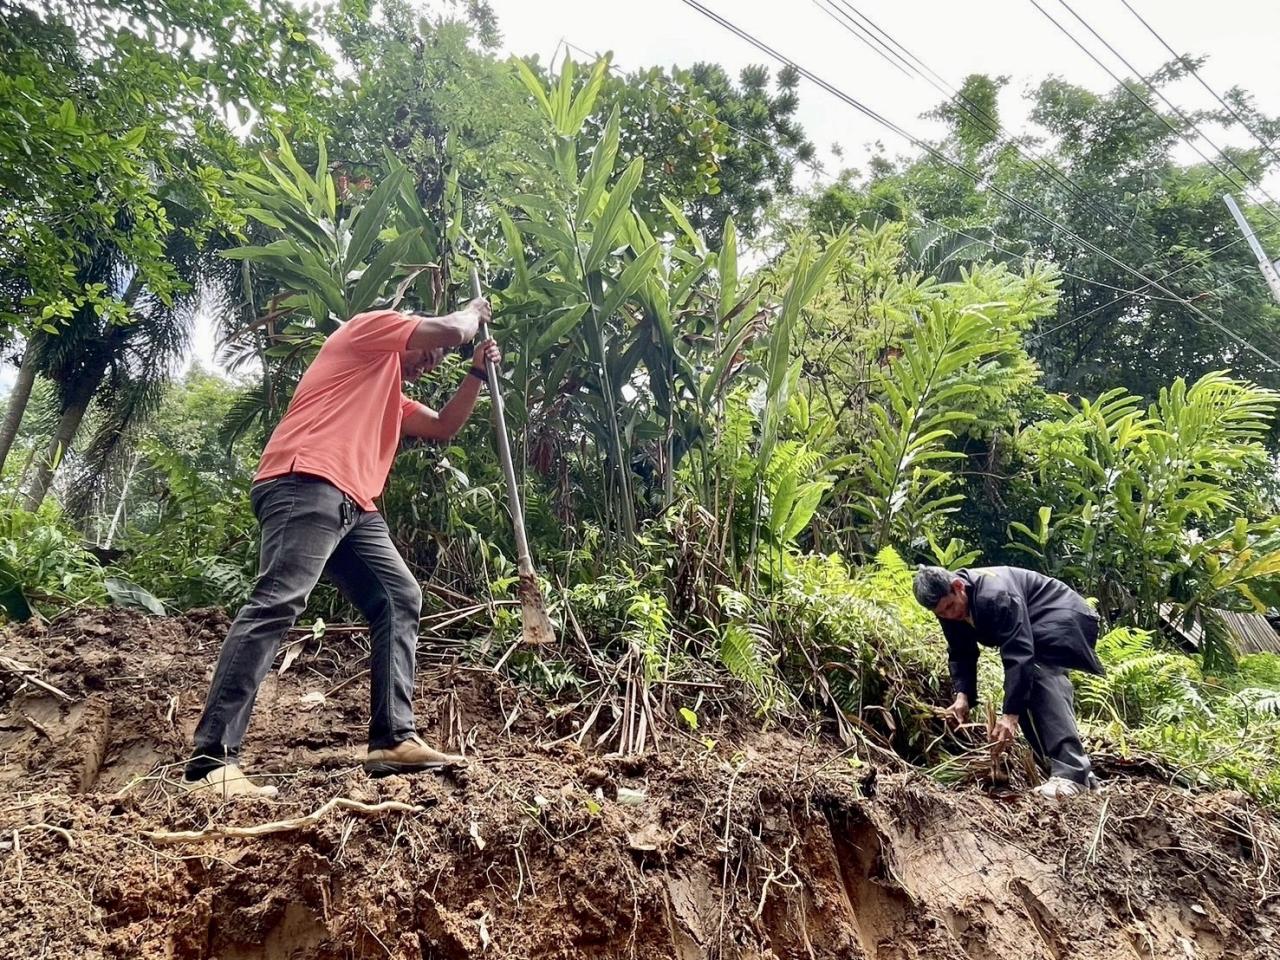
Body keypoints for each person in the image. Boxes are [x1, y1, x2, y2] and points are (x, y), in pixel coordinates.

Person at [182, 298, 498, 798]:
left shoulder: (391, 397)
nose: (428, 362)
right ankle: (211, 760)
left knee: (399, 597)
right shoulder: (367, 332)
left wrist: (476, 374)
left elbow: (443, 426)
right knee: (278, 602)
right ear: (409, 331)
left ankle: (392, 740)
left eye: (435, 360)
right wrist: (473, 314)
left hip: (355, 505)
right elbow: (452, 330)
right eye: (427, 352)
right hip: (307, 480)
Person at [913, 565, 1106, 799]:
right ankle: (1081, 777)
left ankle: (1072, 774)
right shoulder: (949, 608)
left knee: (1039, 674)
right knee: (1021, 694)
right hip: (1034, 626)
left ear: (958, 586)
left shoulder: (996, 596)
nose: (950, 615)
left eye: (950, 607)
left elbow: (1020, 654)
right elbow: (961, 652)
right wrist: (963, 696)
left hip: (1062, 614)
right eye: (941, 613)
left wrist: (1009, 715)